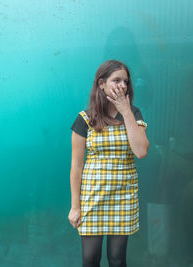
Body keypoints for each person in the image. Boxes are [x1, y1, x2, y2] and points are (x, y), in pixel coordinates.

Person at [68, 60, 149, 267]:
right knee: (90, 259)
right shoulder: (85, 119)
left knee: (117, 259)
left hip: (123, 197)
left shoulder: (134, 114)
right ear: (101, 83)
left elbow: (141, 151)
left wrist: (126, 111)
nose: (122, 85)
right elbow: (76, 167)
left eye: (125, 82)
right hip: (93, 196)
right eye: (116, 80)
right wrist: (75, 207)